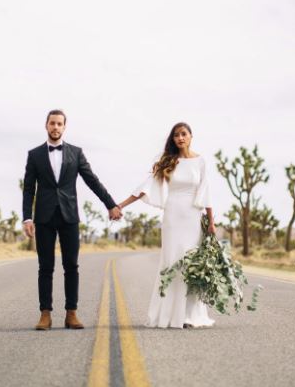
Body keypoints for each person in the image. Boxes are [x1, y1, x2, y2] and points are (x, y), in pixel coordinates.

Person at [22, 109, 122, 330]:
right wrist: (27, 218)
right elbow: (28, 189)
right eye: (52, 123)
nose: (55, 127)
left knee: (71, 266)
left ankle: (71, 314)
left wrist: (111, 204)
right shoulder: (35, 155)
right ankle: (45, 315)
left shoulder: (76, 153)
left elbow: (92, 180)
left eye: (59, 124)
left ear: (64, 127)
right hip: (44, 217)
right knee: (45, 267)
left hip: (69, 216)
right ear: (46, 126)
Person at [118, 122, 216, 329]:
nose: (180, 138)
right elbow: (145, 188)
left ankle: (189, 316)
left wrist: (211, 223)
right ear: (173, 139)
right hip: (172, 215)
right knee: (172, 262)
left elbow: (206, 192)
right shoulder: (168, 162)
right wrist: (120, 205)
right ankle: (170, 314)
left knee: (191, 264)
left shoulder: (201, 161)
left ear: (191, 136)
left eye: (184, 134)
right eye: (176, 135)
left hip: (193, 216)